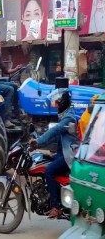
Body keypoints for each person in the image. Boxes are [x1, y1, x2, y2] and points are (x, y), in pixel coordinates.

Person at [29, 89, 77, 219]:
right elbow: (53, 135)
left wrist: (38, 142)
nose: (55, 106)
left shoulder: (68, 118)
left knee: (49, 171)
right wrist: (38, 142)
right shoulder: (66, 116)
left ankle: (56, 207)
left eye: (56, 103)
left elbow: (55, 130)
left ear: (62, 104)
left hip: (68, 157)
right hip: (61, 154)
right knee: (43, 160)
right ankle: (52, 193)